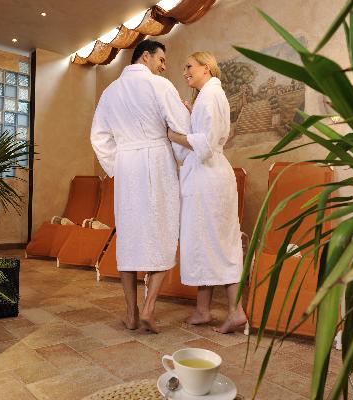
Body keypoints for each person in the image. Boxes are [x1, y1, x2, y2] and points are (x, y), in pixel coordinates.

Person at [91, 40, 191, 333]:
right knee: (163, 232)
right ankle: (148, 308)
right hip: (157, 163)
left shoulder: (110, 92)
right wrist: (184, 156)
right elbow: (181, 128)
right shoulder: (160, 86)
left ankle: (131, 314)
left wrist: (117, 166)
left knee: (129, 239)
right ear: (145, 56)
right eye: (161, 60)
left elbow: (99, 137)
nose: (164, 67)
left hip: (126, 167)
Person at [167, 52, 247, 333]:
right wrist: (191, 115)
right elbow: (206, 132)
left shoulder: (211, 95)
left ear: (206, 67)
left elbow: (206, 142)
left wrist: (174, 135)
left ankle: (236, 312)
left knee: (219, 244)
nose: (185, 72)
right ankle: (202, 310)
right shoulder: (208, 96)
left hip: (209, 179)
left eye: (189, 66)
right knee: (205, 242)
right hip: (207, 177)